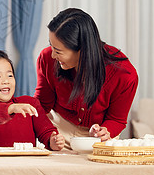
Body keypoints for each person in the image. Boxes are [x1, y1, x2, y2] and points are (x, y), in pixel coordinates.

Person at [34, 8, 138, 150]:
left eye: (58, 51)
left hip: (98, 138)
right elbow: (42, 105)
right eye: (51, 46)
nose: (52, 55)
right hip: (58, 133)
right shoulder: (46, 58)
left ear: (82, 50)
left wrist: (104, 131)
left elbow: (116, 119)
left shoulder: (124, 74)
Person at [0, 50, 65, 151]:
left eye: (10, 75)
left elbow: (45, 131)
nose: (6, 81)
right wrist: (9, 109)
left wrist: (52, 141)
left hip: (26, 164)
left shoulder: (30, 104)